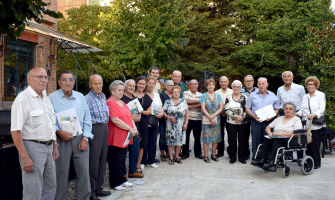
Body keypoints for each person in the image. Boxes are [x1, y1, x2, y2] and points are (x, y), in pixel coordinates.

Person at [11, 67, 58, 200]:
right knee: (33, 190)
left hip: (49, 147)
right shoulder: (22, 99)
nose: (43, 80)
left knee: (50, 186)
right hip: (32, 147)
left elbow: (50, 123)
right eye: (39, 77)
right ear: (29, 79)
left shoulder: (45, 97)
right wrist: (25, 157)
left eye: (45, 77)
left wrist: (55, 144)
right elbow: (15, 131)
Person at [49, 70, 93, 200]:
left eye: (70, 80)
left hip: (80, 139)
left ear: (74, 82)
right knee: (61, 173)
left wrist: (85, 138)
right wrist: (58, 131)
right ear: (58, 82)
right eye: (64, 79)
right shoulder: (51, 98)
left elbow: (87, 119)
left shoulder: (81, 97)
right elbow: (49, 119)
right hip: (61, 139)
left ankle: (84, 197)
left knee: (83, 171)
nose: (67, 83)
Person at [251, 102, 303, 171]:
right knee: (267, 139)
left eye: (290, 109)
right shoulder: (279, 118)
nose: (288, 110)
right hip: (277, 137)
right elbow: (268, 127)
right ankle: (262, 160)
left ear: (294, 111)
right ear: (284, 110)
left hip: (290, 139)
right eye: (286, 109)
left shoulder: (296, 119)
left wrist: (280, 134)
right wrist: (270, 133)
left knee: (276, 140)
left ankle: (273, 163)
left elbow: (296, 133)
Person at [106, 80, 137, 190]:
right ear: (112, 91)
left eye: (122, 90)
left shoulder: (122, 102)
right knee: (115, 160)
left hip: (125, 137)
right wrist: (130, 128)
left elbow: (129, 116)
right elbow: (115, 120)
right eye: (119, 90)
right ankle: (115, 183)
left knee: (122, 160)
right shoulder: (111, 102)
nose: (121, 92)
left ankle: (122, 179)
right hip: (116, 137)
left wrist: (134, 127)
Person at [85, 75, 111, 200]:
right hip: (94, 129)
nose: (98, 86)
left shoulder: (103, 96)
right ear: (90, 85)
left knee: (103, 159)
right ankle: (92, 191)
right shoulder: (87, 99)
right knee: (94, 161)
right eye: (95, 84)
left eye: (100, 83)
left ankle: (99, 187)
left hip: (105, 127)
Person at [245, 77, 280, 161]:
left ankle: (268, 157)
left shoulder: (272, 95)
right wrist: (253, 116)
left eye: (263, 84)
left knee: (268, 138)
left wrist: (272, 116)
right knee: (256, 139)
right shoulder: (252, 95)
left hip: (269, 121)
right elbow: (247, 108)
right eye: (259, 84)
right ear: (257, 85)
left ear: (267, 84)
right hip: (256, 120)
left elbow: (277, 108)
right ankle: (256, 157)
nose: (261, 86)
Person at [296, 76, 326, 169]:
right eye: (308, 85)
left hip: (315, 124)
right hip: (306, 125)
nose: (309, 86)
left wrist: (314, 114)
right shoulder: (305, 96)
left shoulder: (321, 95)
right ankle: (309, 162)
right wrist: (297, 113)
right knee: (307, 144)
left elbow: (322, 108)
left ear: (316, 85)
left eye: (311, 84)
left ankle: (316, 163)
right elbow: (302, 109)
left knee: (315, 145)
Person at [121, 79, 143, 178]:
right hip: (125, 130)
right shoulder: (121, 99)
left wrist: (137, 118)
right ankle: (123, 174)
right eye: (130, 85)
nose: (132, 88)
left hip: (135, 128)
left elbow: (139, 114)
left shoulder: (135, 99)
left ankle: (132, 170)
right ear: (125, 87)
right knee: (124, 153)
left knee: (135, 150)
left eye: (133, 86)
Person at [163, 86, 189, 165]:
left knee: (179, 141)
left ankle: (176, 156)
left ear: (180, 93)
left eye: (177, 92)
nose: (176, 93)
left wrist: (186, 122)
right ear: (172, 93)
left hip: (181, 124)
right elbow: (163, 112)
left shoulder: (183, 101)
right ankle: (171, 157)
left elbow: (187, 112)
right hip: (170, 124)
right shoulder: (167, 102)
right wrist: (168, 117)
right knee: (170, 141)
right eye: (174, 92)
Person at [142, 76, 164, 168]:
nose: (151, 85)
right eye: (149, 83)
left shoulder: (157, 95)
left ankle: (151, 161)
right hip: (144, 120)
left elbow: (161, 107)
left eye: (153, 83)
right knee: (144, 142)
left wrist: (161, 113)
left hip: (154, 120)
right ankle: (142, 162)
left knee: (153, 141)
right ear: (146, 83)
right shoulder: (142, 94)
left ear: (155, 85)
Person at [225, 80, 248, 164]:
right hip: (231, 122)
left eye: (238, 86)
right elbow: (226, 109)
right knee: (232, 140)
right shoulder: (228, 97)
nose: (236, 88)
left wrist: (242, 117)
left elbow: (247, 109)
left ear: (240, 88)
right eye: (234, 86)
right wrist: (235, 116)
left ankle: (241, 157)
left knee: (242, 140)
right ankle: (232, 157)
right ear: (232, 87)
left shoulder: (245, 97)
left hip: (242, 122)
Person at [201, 78, 224, 163]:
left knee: (216, 137)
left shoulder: (218, 96)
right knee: (206, 137)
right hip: (206, 119)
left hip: (216, 119)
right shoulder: (204, 95)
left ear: (214, 86)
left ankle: (213, 154)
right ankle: (206, 155)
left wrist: (214, 115)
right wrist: (210, 117)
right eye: (209, 85)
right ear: (206, 86)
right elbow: (203, 108)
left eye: (212, 85)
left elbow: (221, 107)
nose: (211, 86)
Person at [133, 76, 153, 173]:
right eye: (140, 83)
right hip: (132, 123)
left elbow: (150, 111)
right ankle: (131, 165)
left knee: (142, 144)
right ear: (136, 84)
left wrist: (141, 112)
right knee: (132, 145)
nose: (141, 85)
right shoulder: (131, 96)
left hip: (143, 123)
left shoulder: (146, 97)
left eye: (143, 84)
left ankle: (138, 165)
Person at [181, 79, 203, 160]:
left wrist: (191, 106)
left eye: (195, 84)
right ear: (189, 86)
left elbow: (202, 104)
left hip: (198, 118)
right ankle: (185, 153)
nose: (193, 85)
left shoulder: (201, 94)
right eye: (192, 84)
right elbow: (185, 101)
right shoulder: (185, 93)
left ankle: (198, 153)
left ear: (197, 86)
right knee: (186, 136)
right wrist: (197, 102)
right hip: (187, 119)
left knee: (197, 137)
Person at [240, 75, 258, 160]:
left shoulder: (258, 91)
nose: (248, 82)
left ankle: (257, 154)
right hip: (244, 117)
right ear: (244, 82)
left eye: (250, 81)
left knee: (256, 136)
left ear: (253, 82)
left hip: (256, 117)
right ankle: (245, 154)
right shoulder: (240, 91)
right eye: (246, 81)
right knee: (244, 137)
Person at [215, 76, 233, 158]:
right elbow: (215, 104)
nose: (223, 83)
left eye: (225, 81)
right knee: (220, 133)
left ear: (228, 82)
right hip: (219, 115)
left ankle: (231, 151)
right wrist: (220, 112)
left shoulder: (232, 91)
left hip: (230, 116)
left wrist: (227, 112)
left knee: (231, 133)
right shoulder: (216, 92)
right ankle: (220, 151)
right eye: (221, 82)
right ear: (219, 83)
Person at [159, 80, 174, 161]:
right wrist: (166, 116)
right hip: (163, 120)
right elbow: (160, 107)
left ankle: (169, 152)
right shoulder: (162, 95)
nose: (172, 87)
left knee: (169, 136)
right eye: (170, 85)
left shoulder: (173, 94)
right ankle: (162, 154)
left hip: (172, 121)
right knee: (162, 136)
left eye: (173, 85)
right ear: (165, 86)